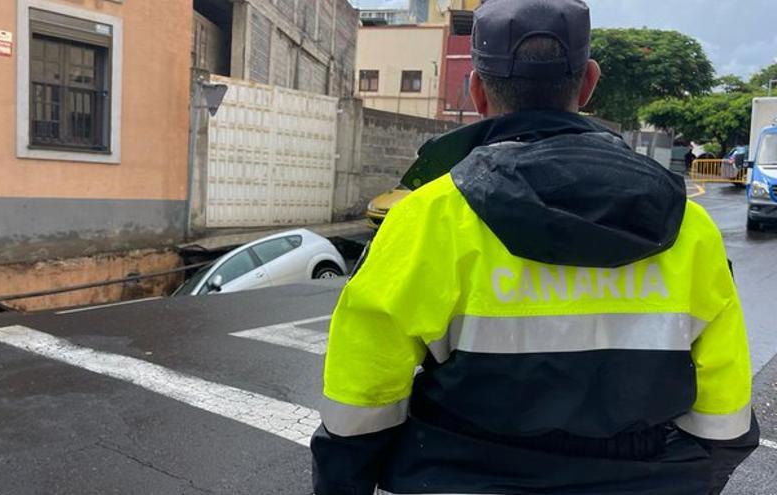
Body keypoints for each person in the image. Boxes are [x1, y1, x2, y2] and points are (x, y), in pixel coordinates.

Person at [310, 1, 759, 494]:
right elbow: (724, 422)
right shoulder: (688, 225)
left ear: (478, 91)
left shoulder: (428, 217)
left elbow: (360, 404)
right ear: (587, 83)